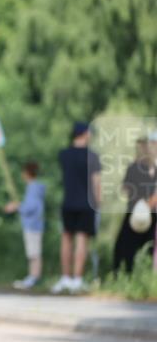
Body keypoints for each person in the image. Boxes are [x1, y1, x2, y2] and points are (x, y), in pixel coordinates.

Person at [51, 122, 102, 294]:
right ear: (84, 133)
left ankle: (65, 278)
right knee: (82, 241)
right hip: (86, 204)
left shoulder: (63, 155)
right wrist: (99, 202)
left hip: (68, 203)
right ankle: (77, 280)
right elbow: (97, 184)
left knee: (66, 239)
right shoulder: (93, 156)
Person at [112, 136, 157, 274]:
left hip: (142, 212)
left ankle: (125, 276)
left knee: (125, 248)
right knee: (134, 248)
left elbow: (125, 189)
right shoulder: (139, 167)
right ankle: (132, 277)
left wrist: (145, 205)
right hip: (141, 211)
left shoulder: (143, 167)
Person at [4, 161, 45, 290]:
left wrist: (16, 206)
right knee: (33, 252)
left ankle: (34, 277)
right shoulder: (35, 188)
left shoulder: (32, 188)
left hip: (32, 225)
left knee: (34, 253)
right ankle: (32, 277)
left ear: (27, 173)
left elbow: (31, 207)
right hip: (35, 224)